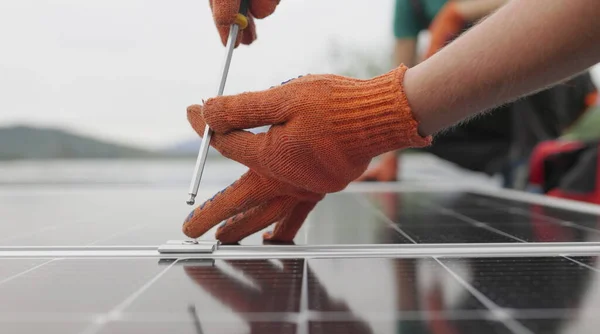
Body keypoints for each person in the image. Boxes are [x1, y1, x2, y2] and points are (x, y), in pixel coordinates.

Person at [183, 0, 600, 244]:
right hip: (472, 86)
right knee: (423, 130)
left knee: (454, 37)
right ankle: (521, 166)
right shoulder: (408, 5)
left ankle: (535, 162)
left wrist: (454, 15)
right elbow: (400, 69)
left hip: (558, 81)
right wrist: (372, 136)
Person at [357, 0, 509, 182]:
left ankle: (531, 151)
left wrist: (457, 13)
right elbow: (399, 83)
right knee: (415, 125)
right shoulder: (410, 4)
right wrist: (389, 158)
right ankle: (512, 164)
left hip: (525, 86)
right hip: (476, 101)